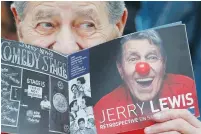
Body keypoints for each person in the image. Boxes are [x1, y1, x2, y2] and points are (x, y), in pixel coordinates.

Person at [10, 1, 201, 134]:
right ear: (19, 24)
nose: (66, 47)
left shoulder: (164, 124)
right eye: (46, 24)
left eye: (87, 25)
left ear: (119, 24)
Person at [93, 30, 200, 134]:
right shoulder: (102, 109)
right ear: (120, 69)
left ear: (163, 64)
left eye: (152, 57)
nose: (143, 68)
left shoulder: (186, 87)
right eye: (133, 59)